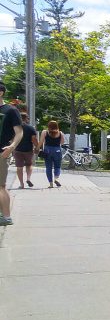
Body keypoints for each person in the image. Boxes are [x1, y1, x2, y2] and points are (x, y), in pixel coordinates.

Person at [0, 84, 24, 225]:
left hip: (2, 152)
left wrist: (12, 146)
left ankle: (7, 217)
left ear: (1, 93)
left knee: (1, 186)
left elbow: (19, 132)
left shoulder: (10, 110)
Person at [13, 112, 40, 189]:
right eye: (28, 118)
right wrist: (37, 147)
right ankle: (28, 178)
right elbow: (34, 139)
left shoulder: (15, 127)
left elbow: (11, 139)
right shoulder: (30, 128)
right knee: (29, 164)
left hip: (17, 150)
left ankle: (21, 184)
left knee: (19, 167)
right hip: (28, 150)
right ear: (26, 118)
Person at [41, 120, 64, 188]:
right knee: (57, 166)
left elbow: (41, 141)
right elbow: (62, 142)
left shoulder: (45, 132)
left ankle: (51, 184)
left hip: (47, 150)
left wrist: (37, 148)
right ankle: (56, 178)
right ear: (57, 126)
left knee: (48, 168)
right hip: (57, 150)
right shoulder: (60, 133)